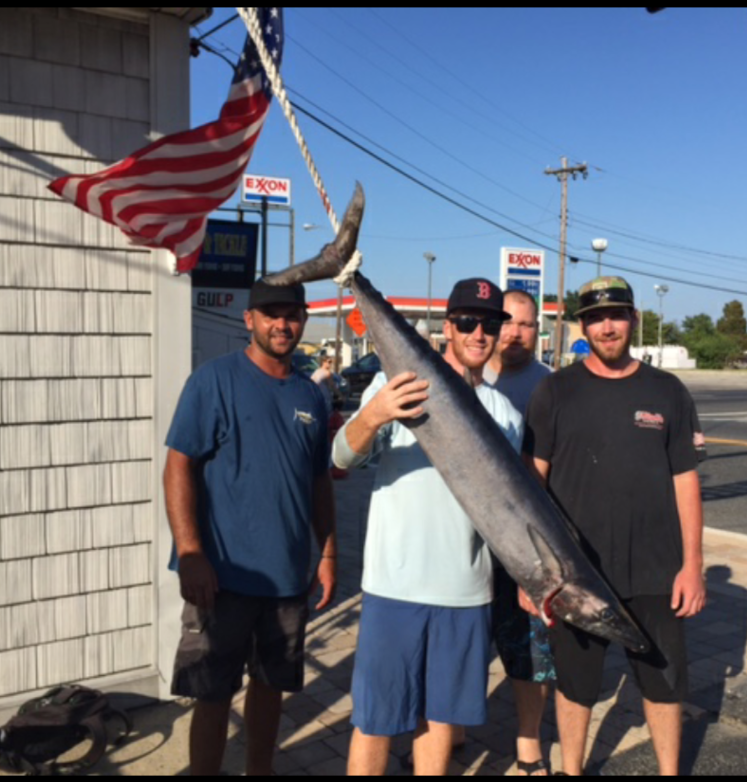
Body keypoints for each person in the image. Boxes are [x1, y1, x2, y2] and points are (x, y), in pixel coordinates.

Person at [334, 278, 523, 777]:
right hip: (394, 588)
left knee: (440, 723)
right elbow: (341, 458)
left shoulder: (505, 414)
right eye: (466, 322)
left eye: (489, 324)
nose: (478, 333)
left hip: (466, 594)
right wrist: (374, 414)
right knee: (375, 720)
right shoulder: (398, 382)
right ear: (448, 327)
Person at [521, 276, 706, 777]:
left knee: (664, 684)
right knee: (575, 685)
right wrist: (531, 575)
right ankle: (572, 770)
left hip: (657, 571)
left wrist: (692, 565)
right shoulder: (555, 391)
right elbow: (529, 490)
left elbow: (686, 481)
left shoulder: (667, 391)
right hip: (575, 575)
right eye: (597, 318)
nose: (608, 326)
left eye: (617, 315)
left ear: (633, 320)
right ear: (582, 326)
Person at [163, 278, 337, 777]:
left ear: (303, 320)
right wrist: (191, 552)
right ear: (250, 320)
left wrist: (327, 554)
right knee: (212, 692)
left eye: (292, 315)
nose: (282, 324)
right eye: (271, 314)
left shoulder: (311, 393)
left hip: (285, 578)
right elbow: (178, 467)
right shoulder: (213, 380)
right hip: (221, 576)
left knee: (270, 687)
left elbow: (319, 480)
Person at [482, 289, 556, 776]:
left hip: (523, 544)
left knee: (531, 650)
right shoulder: (464, 376)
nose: (514, 332)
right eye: (506, 322)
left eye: (525, 325)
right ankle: (454, 728)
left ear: (538, 330)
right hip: (467, 540)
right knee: (463, 643)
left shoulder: (551, 387)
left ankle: (528, 745)